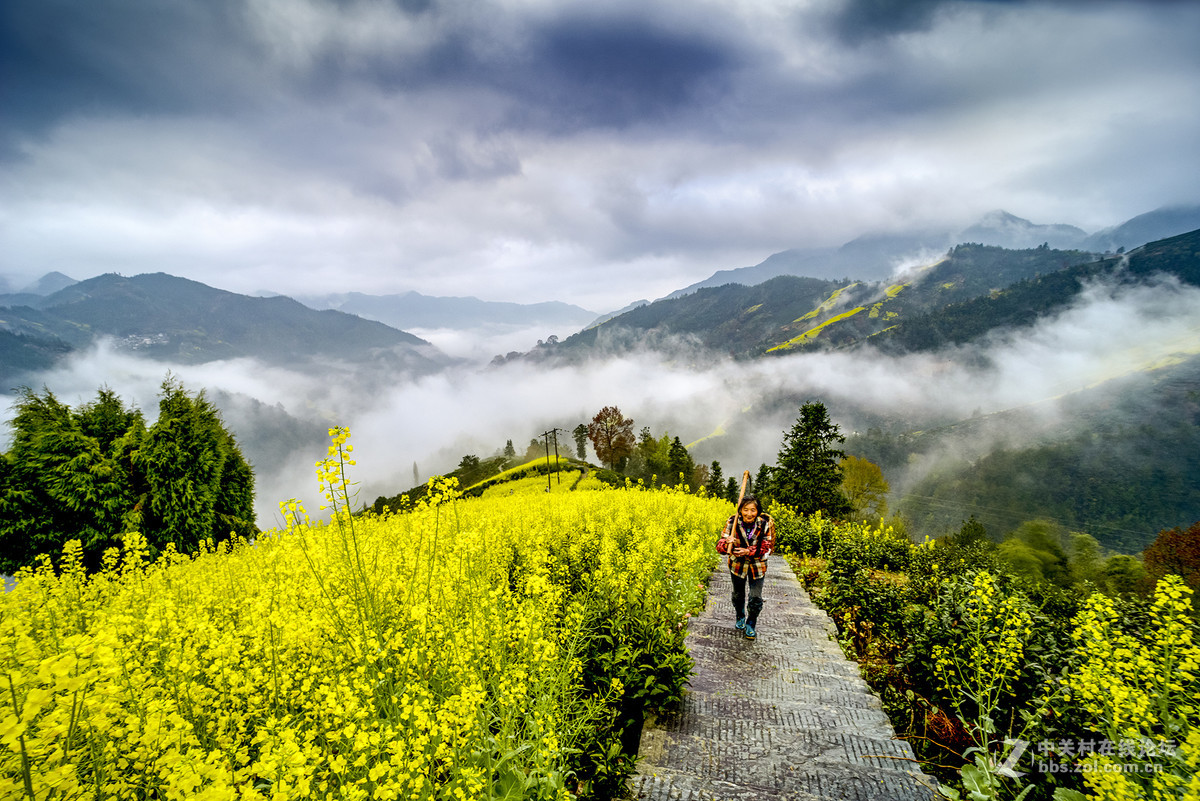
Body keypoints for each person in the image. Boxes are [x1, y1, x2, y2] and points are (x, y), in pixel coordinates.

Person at [716, 495, 775, 640]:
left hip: (757, 566)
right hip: (737, 565)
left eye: (753, 510)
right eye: (746, 509)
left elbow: (766, 546)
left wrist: (748, 551)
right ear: (740, 511)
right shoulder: (732, 522)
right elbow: (720, 546)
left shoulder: (764, 524)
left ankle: (751, 623)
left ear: (758, 511)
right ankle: (740, 615)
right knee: (738, 595)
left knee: (755, 597)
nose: (749, 513)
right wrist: (726, 543)